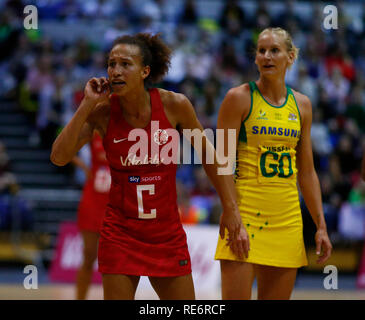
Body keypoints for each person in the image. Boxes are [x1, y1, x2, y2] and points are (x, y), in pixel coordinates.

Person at [50, 33, 241, 300]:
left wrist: (231, 208)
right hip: (120, 235)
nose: (116, 70)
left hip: (166, 234)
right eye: (111, 63)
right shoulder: (103, 111)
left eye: (125, 64)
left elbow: (211, 158)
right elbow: (58, 157)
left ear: (144, 71)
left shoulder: (175, 105)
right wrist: (86, 104)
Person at [214, 27, 333, 300]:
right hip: (243, 215)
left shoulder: (302, 105)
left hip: (287, 219)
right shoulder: (238, 98)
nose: (266, 56)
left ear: (290, 57)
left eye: (274, 50)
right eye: (261, 50)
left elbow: (307, 172)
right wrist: (231, 213)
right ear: (255, 58)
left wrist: (321, 226)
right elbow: (221, 164)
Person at [73, 132, 111, 300]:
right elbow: (64, 148)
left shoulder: (129, 131)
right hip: (93, 200)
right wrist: (84, 168)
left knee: (113, 261)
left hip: (115, 203)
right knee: (88, 255)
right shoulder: (94, 131)